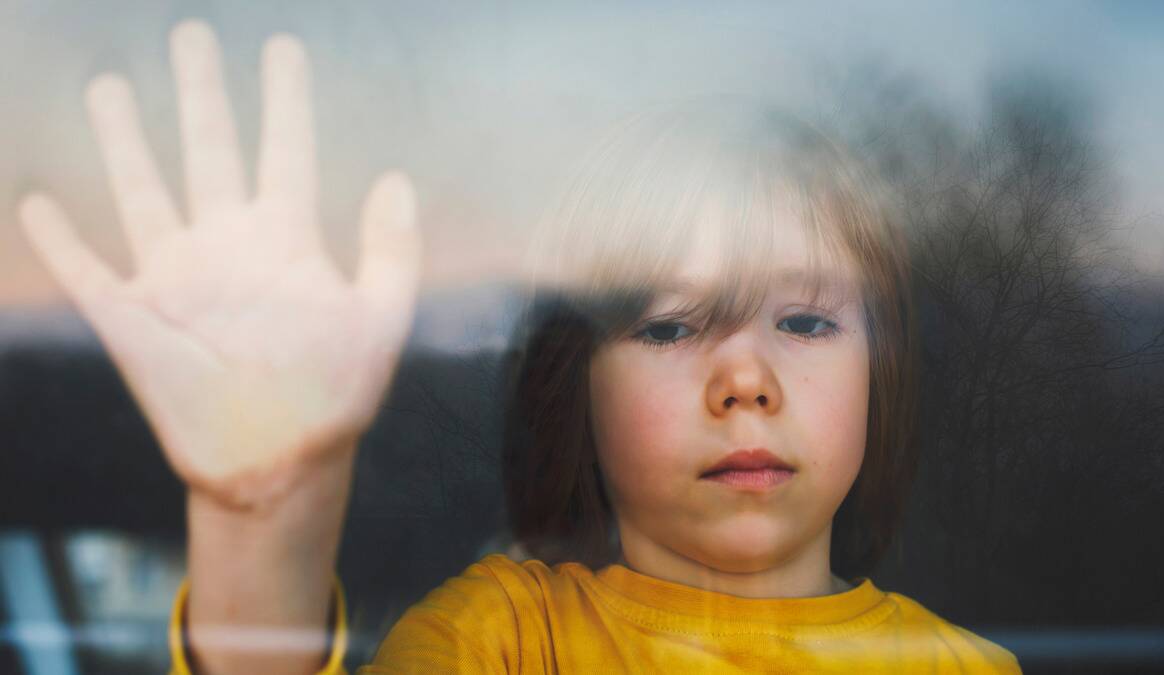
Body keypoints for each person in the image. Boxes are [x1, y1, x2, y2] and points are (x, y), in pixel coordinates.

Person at [17, 20, 1021, 675]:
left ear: (882, 374)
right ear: (573, 391)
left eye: (805, 322)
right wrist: (266, 517)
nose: (746, 382)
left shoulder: (970, 667)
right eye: (669, 325)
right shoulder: (496, 642)